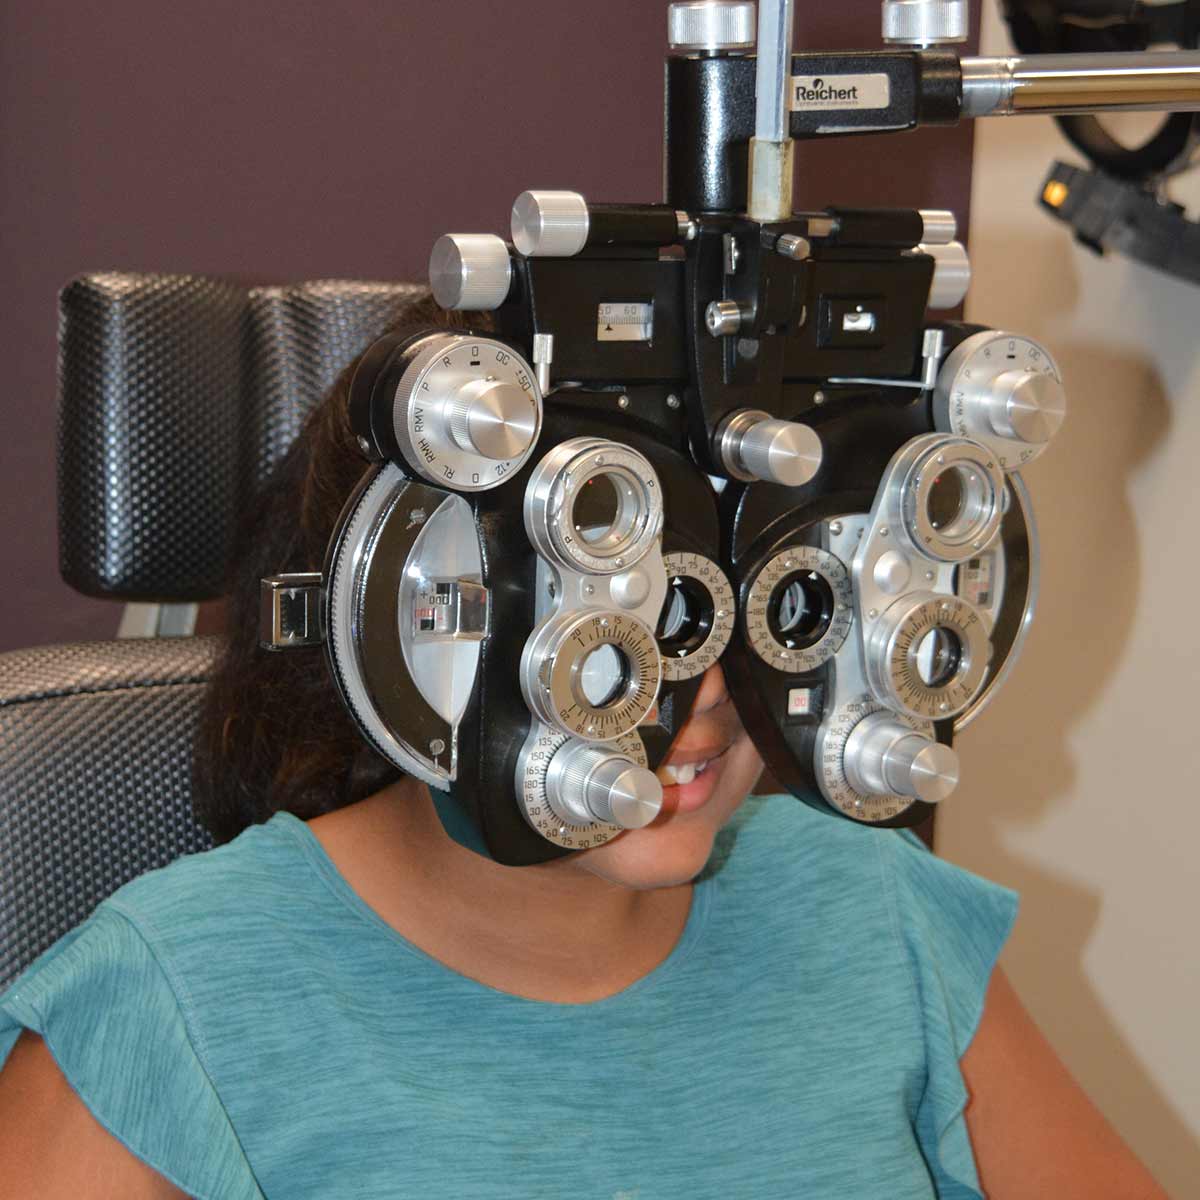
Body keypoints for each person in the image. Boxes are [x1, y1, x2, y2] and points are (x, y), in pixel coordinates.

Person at [0, 295, 1169, 1198]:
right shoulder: (168, 1007)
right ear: (422, 610)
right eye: (624, 617)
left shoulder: (877, 912)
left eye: (760, 602)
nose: (702, 694)